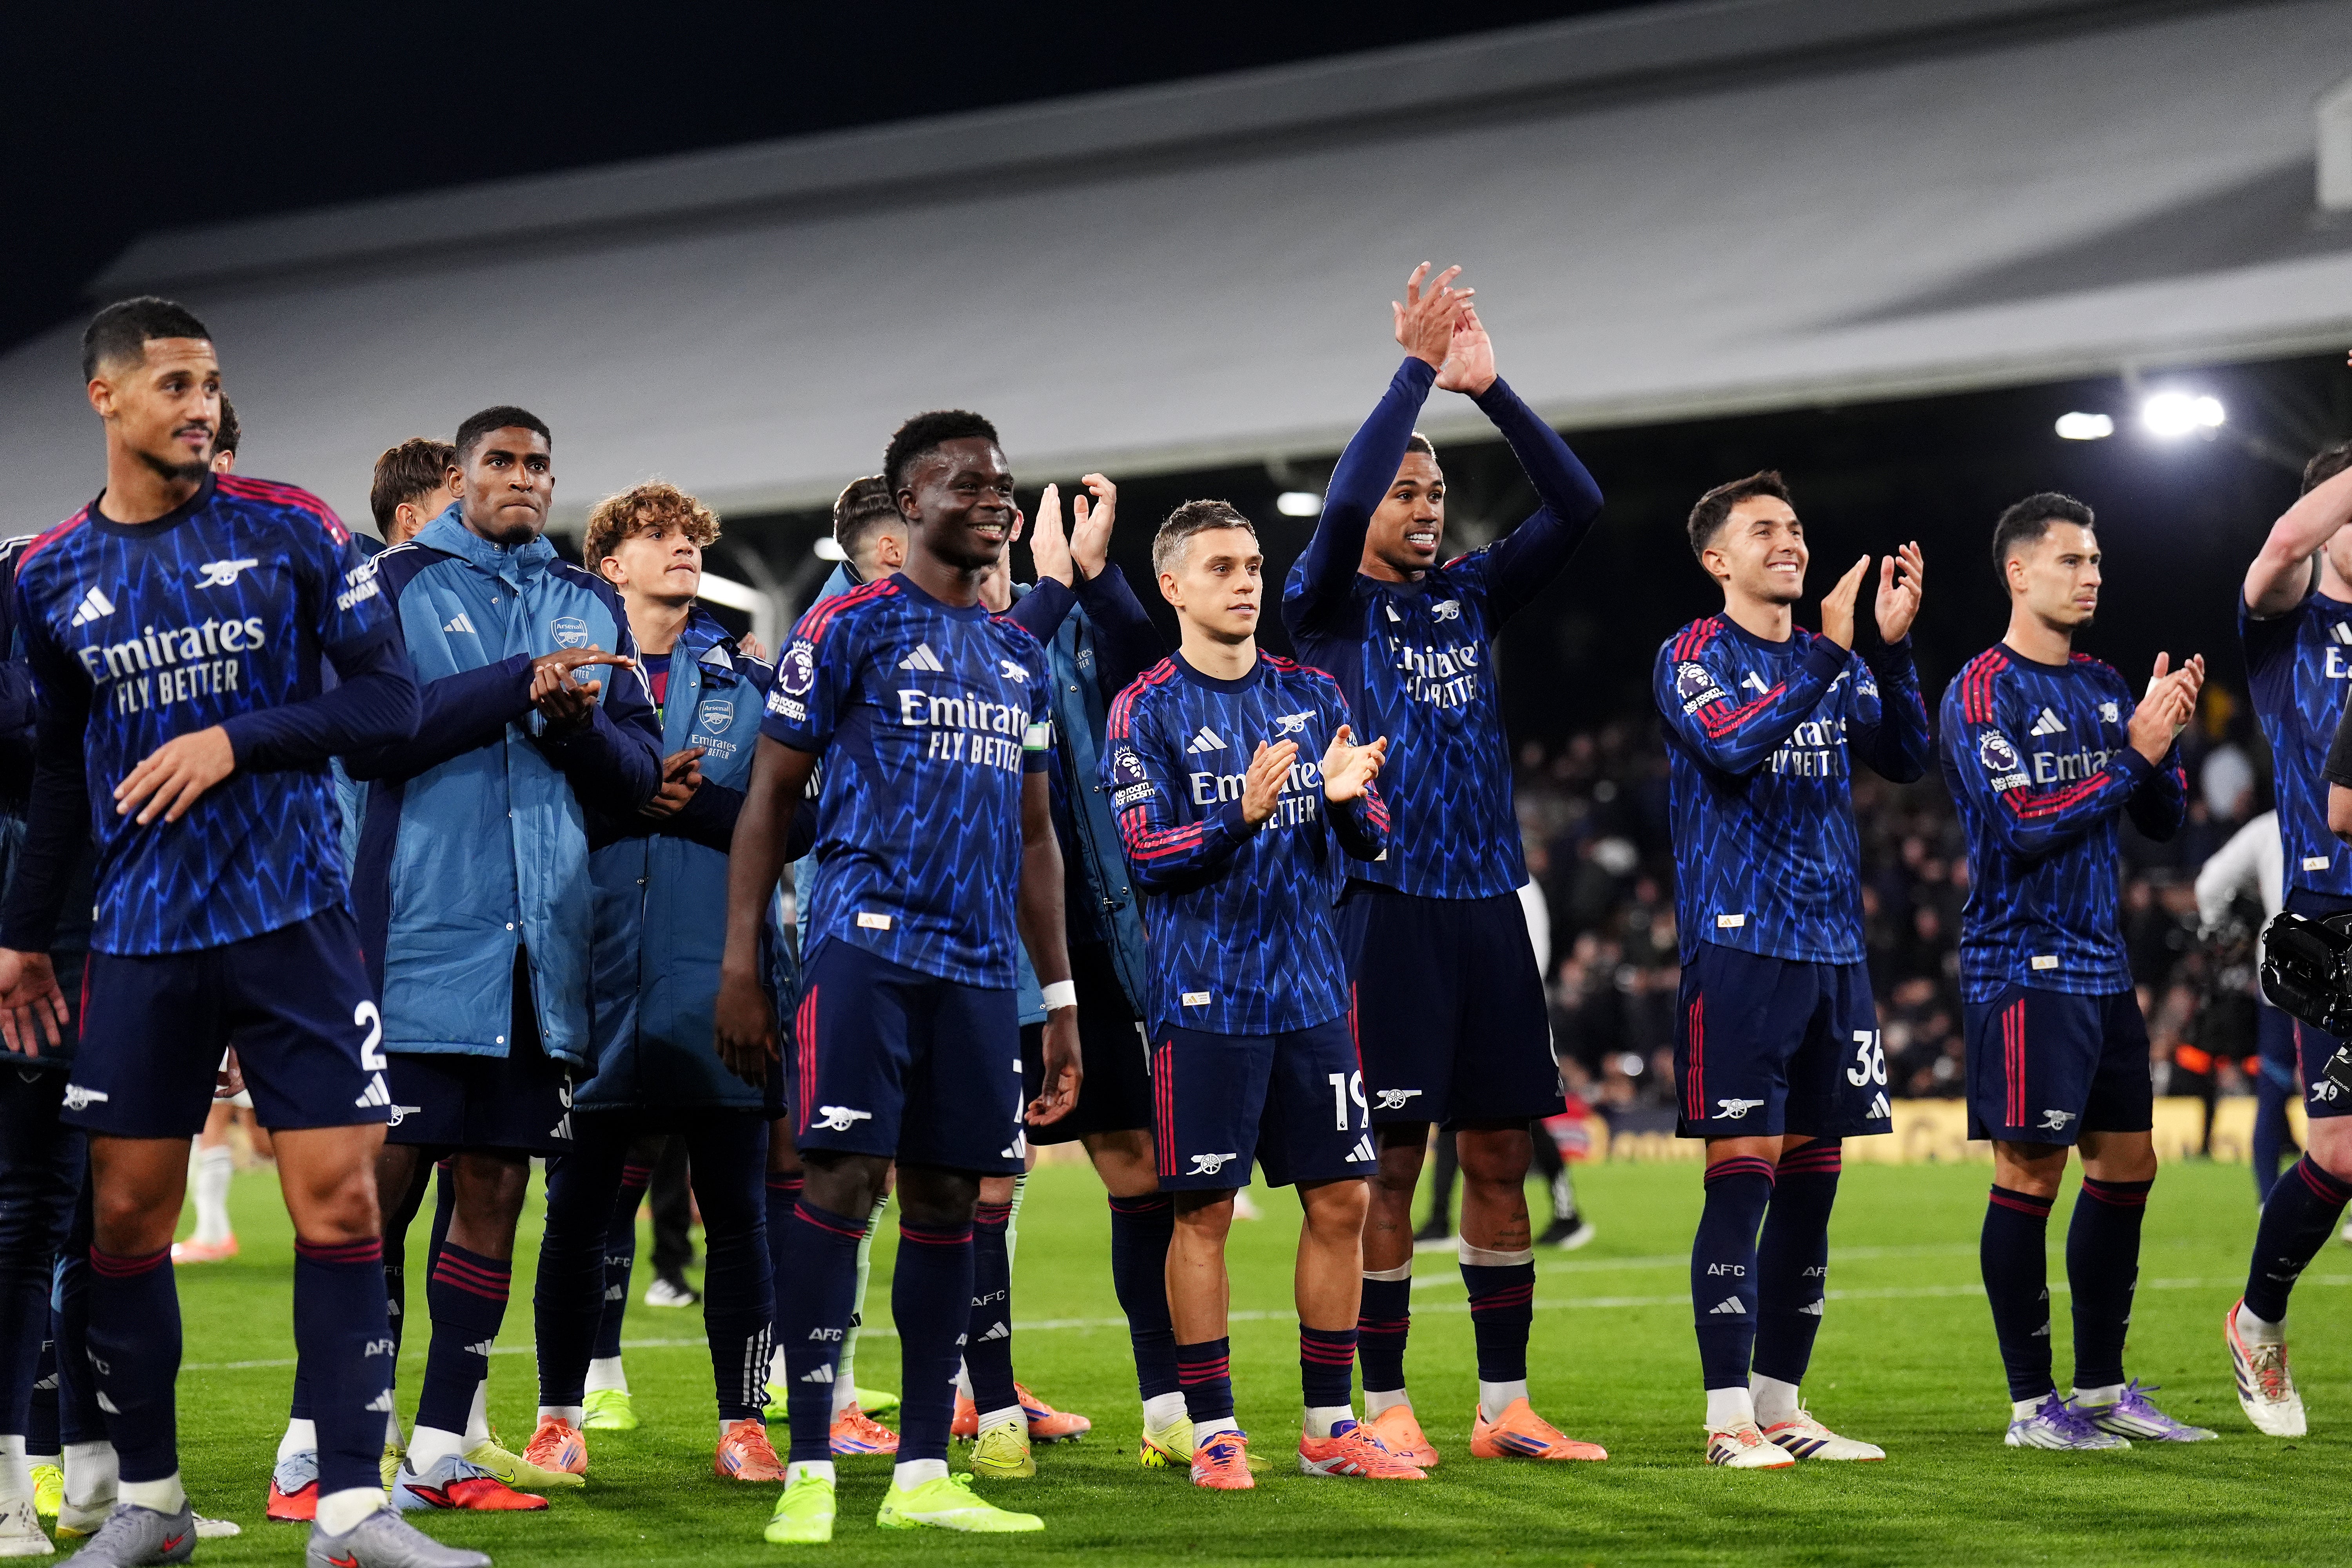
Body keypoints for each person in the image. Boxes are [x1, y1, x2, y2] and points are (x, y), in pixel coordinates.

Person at [0, 296, 478, 1567]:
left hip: (297, 925)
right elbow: (58, 772)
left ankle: (350, 1513)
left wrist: (239, 739)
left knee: (340, 1212)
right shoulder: (49, 574)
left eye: (211, 383)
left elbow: (390, 709)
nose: (201, 406)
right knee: (123, 1224)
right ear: (105, 398)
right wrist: (22, 936)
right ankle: (152, 1508)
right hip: (142, 939)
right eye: (173, 385)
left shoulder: (297, 528)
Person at [715, 410, 1079, 1543]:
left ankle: (925, 1469)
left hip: (980, 972)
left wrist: (1059, 999)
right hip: (865, 949)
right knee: (838, 1188)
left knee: (950, 1203)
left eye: (1004, 483)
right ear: (911, 500)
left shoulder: (1023, 655)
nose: (996, 498)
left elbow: (1034, 838)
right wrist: (744, 963)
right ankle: (812, 1469)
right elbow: (771, 800)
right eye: (969, 482)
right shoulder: (853, 629)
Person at [1281, 265, 1607, 1466]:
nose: (1425, 508)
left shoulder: (1469, 595)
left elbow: (1576, 506)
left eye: (1436, 491)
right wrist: (1413, 373)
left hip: (1486, 904)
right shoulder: (1323, 609)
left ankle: (1502, 1403)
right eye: (1405, 491)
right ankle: (1381, 1400)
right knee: (1389, 1158)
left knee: (1496, 1152)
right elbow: (1335, 513)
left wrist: (1492, 389)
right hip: (1383, 906)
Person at [339, 406, 662, 1515]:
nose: (523, 479)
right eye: (501, 463)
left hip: (541, 955)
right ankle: (329, 1449)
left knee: (496, 1190)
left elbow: (639, 774)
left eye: (539, 465)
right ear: (461, 477)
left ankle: (437, 1454)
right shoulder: (395, 584)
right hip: (419, 939)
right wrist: (520, 684)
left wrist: (575, 726)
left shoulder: (590, 600)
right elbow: (375, 734)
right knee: (374, 1200)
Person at [1109, 499, 1410, 1489]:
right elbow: (1146, 853)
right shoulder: (1145, 707)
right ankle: (1215, 1428)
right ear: (1175, 586)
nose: (1246, 581)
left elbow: (1372, 835)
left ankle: (1330, 1425)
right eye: (1224, 566)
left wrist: (1342, 805)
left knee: (1343, 1198)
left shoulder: (1313, 692)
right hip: (1206, 999)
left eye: (1253, 565)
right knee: (1201, 1211)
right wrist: (1239, 815)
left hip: (1314, 994)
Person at [1654, 471, 1928, 1466]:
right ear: (1716, 559)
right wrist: (1832, 656)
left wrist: (1889, 652)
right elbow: (1729, 747)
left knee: (1814, 1184)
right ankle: (1727, 1418)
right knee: (1742, 1180)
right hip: (1739, 949)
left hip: (1833, 953)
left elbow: (1906, 752)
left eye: (1797, 526)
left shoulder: (1834, 660)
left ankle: (1783, 1405)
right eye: (1764, 529)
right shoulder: (1693, 655)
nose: (1790, 541)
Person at [1940, 491, 2210, 1450]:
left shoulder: (2102, 682)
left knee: (2129, 1164)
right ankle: (2030, 1405)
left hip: (2103, 967)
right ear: (2019, 572)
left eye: (2097, 560)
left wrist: (2160, 741)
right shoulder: (1980, 691)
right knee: (2031, 1170)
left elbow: (2164, 820)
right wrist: (2134, 752)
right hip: (2022, 963)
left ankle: (2100, 1388)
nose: (2091, 574)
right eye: (2071, 560)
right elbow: (2020, 827)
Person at [530, 481, 784, 1482]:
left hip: (716, 979)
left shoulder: (748, 678)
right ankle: (559, 1416)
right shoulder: (568, 679)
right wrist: (647, 789)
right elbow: (544, 812)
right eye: (656, 537)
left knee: (737, 1210)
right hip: (589, 973)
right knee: (578, 1209)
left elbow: (789, 822)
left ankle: (744, 1423)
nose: (681, 550)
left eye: (691, 538)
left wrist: (665, 804)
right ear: (610, 566)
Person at [2226, 442, 2352, 1438]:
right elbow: (2281, 542)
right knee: (2341, 1154)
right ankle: (2258, 1322)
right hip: (2332, 917)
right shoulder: (2288, 630)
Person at [2191, 811, 2289, 1197]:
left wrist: (2218, 925)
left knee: (2274, 1089)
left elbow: (2210, 882)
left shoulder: (2269, 826)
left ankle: (2269, 1202)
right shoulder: (2338, 814)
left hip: (2283, 967)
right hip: (2342, 966)